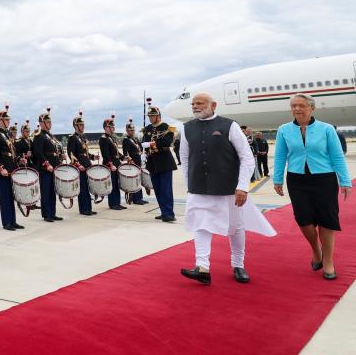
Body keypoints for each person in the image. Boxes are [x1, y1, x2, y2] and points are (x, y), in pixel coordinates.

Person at [179, 93, 276, 285]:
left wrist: (242, 186)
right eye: (193, 104)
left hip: (229, 188)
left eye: (200, 103)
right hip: (198, 187)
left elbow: (247, 157)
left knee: (235, 226)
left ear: (213, 105)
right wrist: (189, 183)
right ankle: (202, 267)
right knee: (201, 224)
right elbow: (185, 158)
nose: (196, 106)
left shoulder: (229, 126)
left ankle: (238, 265)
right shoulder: (186, 128)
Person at [273, 93, 351, 280]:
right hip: (297, 179)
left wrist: (345, 180)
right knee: (303, 220)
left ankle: (328, 261)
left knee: (327, 219)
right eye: (294, 106)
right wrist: (277, 179)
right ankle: (316, 249)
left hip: (324, 178)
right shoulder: (284, 130)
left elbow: (337, 156)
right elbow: (280, 155)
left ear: (312, 108)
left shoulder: (326, 129)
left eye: (301, 105)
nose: (297, 109)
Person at [0, 105, 25, 231]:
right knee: (5, 198)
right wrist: (0, 168)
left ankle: (13, 221)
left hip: (12, 169)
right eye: (6, 120)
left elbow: (12, 152)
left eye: (9, 119)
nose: (8, 121)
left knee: (12, 196)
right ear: (0, 120)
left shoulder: (8, 134)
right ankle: (6, 222)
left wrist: (19, 159)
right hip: (4, 170)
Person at [142, 106, 177, 221]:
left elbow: (166, 142)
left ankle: (169, 214)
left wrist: (151, 144)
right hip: (152, 162)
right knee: (157, 189)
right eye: (149, 116)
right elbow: (143, 142)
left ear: (158, 116)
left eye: (152, 116)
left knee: (165, 189)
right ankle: (163, 211)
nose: (151, 118)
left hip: (164, 161)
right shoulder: (147, 128)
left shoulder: (166, 127)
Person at [32, 109, 64, 221]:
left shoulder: (49, 135)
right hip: (45, 168)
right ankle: (46, 214)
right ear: (41, 123)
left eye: (50, 122)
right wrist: (47, 164)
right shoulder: (39, 135)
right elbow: (38, 152)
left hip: (53, 167)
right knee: (45, 192)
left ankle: (52, 213)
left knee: (52, 191)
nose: (50, 124)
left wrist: (60, 157)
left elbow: (54, 150)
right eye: (47, 122)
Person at [68, 111, 99, 215]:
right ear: (75, 126)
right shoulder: (72, 138)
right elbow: (71, 154)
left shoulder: (83, 137)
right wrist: (77, 164)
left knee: (87, 187)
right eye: (81, 125)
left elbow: (85, 153)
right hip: (79, 166)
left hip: (87, 165)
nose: (83, 127)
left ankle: (88, 208)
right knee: (83, 189)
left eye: (83, 125)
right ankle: (84, 209)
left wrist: (93, 157)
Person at [99, 118, 126, 210]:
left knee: (116, 184)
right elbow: (105, 154)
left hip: (116, 163)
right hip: (110, 165)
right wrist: (110, 164)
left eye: (113, 127)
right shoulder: (103, 139)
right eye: (111, 127)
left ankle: (117, 202)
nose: (113, 129)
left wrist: (123, 157)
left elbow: (116, 152)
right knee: (112, 185)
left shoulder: (112, 138)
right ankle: (113, 204)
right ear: (106, 128)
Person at [121, 120, 147, 206]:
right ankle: (136, 199)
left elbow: (140, 147)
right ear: (127, 131)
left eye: (133, 130)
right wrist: (130, 160)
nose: (132, 132)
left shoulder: (134, 139)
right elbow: (125, 153)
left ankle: (140, 198)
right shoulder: (126, 140)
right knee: (135, 181)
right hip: (133, 161)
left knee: (138, 180)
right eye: (130, 130)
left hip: (138, 160)